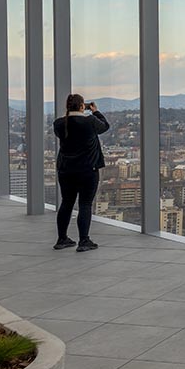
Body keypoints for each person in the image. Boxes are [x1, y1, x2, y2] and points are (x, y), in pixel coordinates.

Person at [52, 94, 109, 252]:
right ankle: (84, 240)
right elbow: (105, 126)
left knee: (67, 202)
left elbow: (66, 126)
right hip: (87, 170)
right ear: (82, 106)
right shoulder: (89, 121)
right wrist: (95, 112)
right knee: (85, 204)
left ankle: (61, 238)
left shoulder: (59, 124)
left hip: (66, 170)